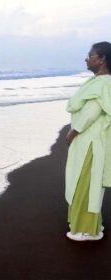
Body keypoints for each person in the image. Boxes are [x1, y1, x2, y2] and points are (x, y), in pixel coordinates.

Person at [66, 42, 111, 241]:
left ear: (101, 59)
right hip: (91, 140)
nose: (87, 58)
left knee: (85, 184)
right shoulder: (102, 82)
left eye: (90, 55)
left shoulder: (103, 83)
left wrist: (73, 132)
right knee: (88, 183)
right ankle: (92, 226)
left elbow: (92, 111)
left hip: (91, 142)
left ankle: (86, 230)